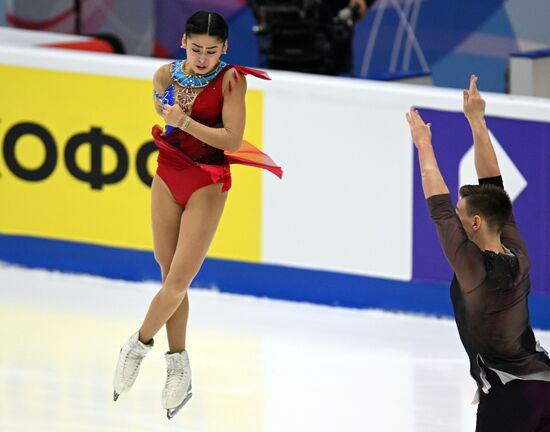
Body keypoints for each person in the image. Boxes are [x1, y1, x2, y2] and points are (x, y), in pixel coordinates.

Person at [112, 10, 282, 419]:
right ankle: (178, 365)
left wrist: (184, 120)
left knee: (178, 280)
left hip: (207, 180)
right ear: (184, 42)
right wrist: (167, 109)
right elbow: (160, 109)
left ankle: (137, 345)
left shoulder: (230, 80)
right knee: (167, 272)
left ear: (225, 49)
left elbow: (232, 138)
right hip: (168, 173)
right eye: (196, 48)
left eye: (212, 50)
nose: (203, 57)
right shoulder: (165, 75)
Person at [407, 75, 550, 431]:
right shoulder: (516, 250)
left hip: (511, 398)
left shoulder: (475, 269)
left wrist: (424, 145)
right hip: (542, 383)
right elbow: (494, 186)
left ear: (473, 223)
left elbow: (438, 208)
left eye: (460, 214)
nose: (454, 219)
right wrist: (477, 121)